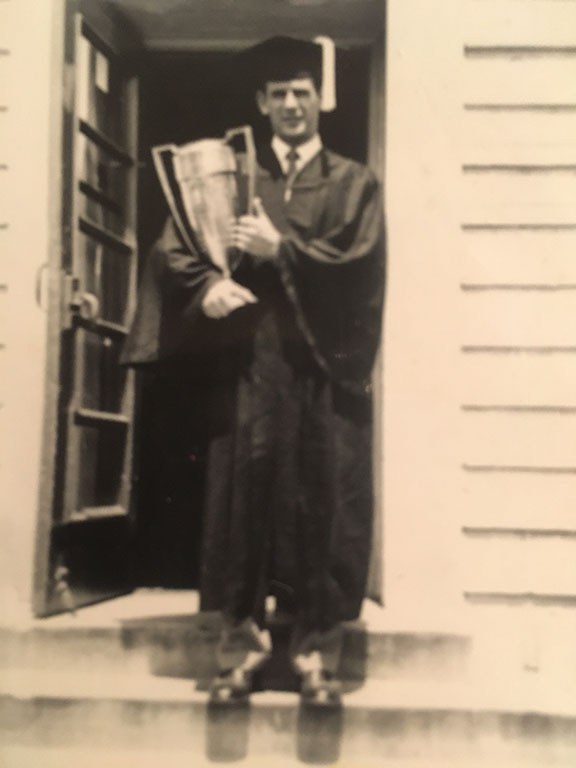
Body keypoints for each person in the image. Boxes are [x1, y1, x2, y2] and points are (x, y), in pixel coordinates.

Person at [122, 36, 385, 707]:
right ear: (262, 104)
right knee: (244, 501)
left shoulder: (354, 182)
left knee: (323, 502)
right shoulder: (229, 174)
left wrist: (282, 249)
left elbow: (359, 262)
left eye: (302, 92)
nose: (292, 105)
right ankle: (240, 650)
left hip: (321, 372)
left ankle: (318, 656)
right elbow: (172, 247)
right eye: (279, 94)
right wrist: (205, 284)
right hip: (249, 366)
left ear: (318, 100)